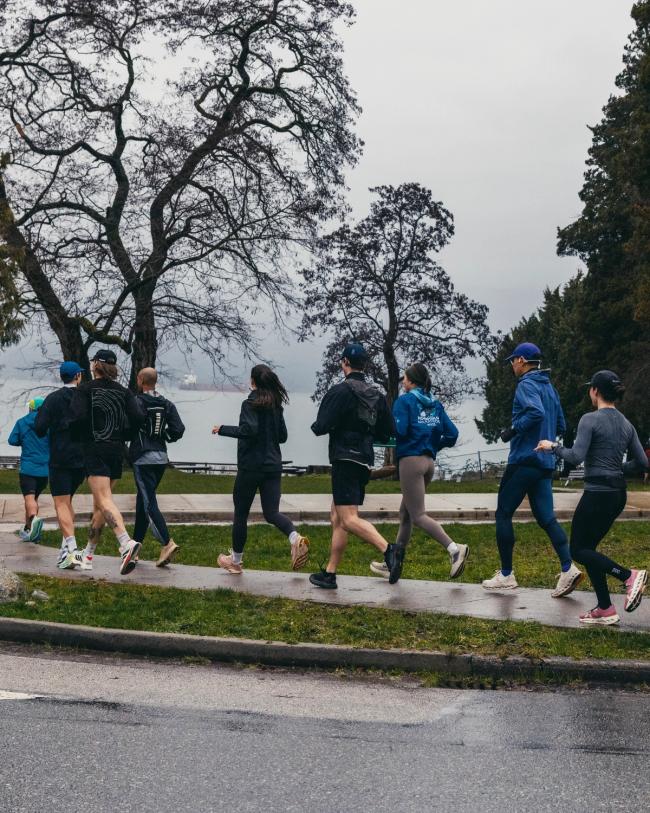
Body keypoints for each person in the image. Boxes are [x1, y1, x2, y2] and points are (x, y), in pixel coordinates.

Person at [536, 370, 649, 625]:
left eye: (590, 388)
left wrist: (552, 446)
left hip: (597, 494)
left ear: (595, 391)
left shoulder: (590, 419)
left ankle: (629, 576)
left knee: (577, 549)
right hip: (617, 494)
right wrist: (618, 468)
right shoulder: (626, 423)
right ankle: (605, 608)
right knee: (589, 550)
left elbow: (576, 456)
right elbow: (643, 462)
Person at [482, 342, 583, 596]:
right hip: (545, 462)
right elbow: (560, 423)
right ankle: (568, 567)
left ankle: (506, 574)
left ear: (522, 361)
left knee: (503, 513)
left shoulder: (526, 384)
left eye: (512, 361)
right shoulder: (550, 388)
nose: (511, 365)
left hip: (524, 460)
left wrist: (513, 431)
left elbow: (535, 413)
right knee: (546, 518)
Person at [309, 342, 399, 589]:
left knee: (348, 519)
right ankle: (330, 573)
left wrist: (329, 426)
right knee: (337, 516)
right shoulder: (376, 395)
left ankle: (389, 550)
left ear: (344, 363)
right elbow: (389, 431)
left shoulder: (340, 391)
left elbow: (321, 425)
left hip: (344, 459)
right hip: (363, 460)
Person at [369, 362, 468, 580]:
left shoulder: (404, 401)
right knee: (406, 514)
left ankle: (454, 549)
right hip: (428, 464)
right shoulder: (435, 404)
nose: (402, 381)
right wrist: (433, 445)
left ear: (411, 381)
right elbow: (452, 434)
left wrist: (381, 430)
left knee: (418, 515)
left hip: (411, 463)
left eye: (404, 378)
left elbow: (401, 430)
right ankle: (393, 562)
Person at [212, 365, 309, 574]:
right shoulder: (276, 405)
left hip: (251, 467)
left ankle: (235, 562)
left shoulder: (250, 404)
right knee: (272, 512)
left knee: (241, 514)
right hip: (273, 466)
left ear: (253, 381)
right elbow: (282, 436)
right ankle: (295, 537)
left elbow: (249, 430)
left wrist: (223, 429)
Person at [69, 349, 145, 575]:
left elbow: (77, 418)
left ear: (95, 366)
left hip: (95, 448)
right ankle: (88, 554)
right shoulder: (124, 392)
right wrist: (126, 435)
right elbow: (139, 417)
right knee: (101, 505)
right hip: (116, 451)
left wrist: (78, 437)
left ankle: (126, 544)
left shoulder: (85, 390)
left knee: (103, 500)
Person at [129, 367, 185, 567]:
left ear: (140, 380)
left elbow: (128, 426)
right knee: (142, 501)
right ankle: (135, 548)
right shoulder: (166, 403)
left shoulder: (136, 401)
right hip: (161, 458)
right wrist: (164, 436)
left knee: (148, 502)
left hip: (142, 457)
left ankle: (167, 542)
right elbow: (179, 429)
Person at [34, 361, 87, 569]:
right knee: (68, 502)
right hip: (81, 458)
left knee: (61, 503)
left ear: (62, 377)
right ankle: (64, 549)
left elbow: (39, 427)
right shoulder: (85, 399)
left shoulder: (53, 399)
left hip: (60, 457)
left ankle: (73, 550)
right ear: (78, 376)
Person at [9, 398, 49, 543]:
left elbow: (12, 440)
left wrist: (24, 440)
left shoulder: (22, 422)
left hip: (28, 468)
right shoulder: (49, 424)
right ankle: (28, 529)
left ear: (31, 409)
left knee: (29, 499)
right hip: (45, 469)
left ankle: (33, 521)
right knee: (34, 499)